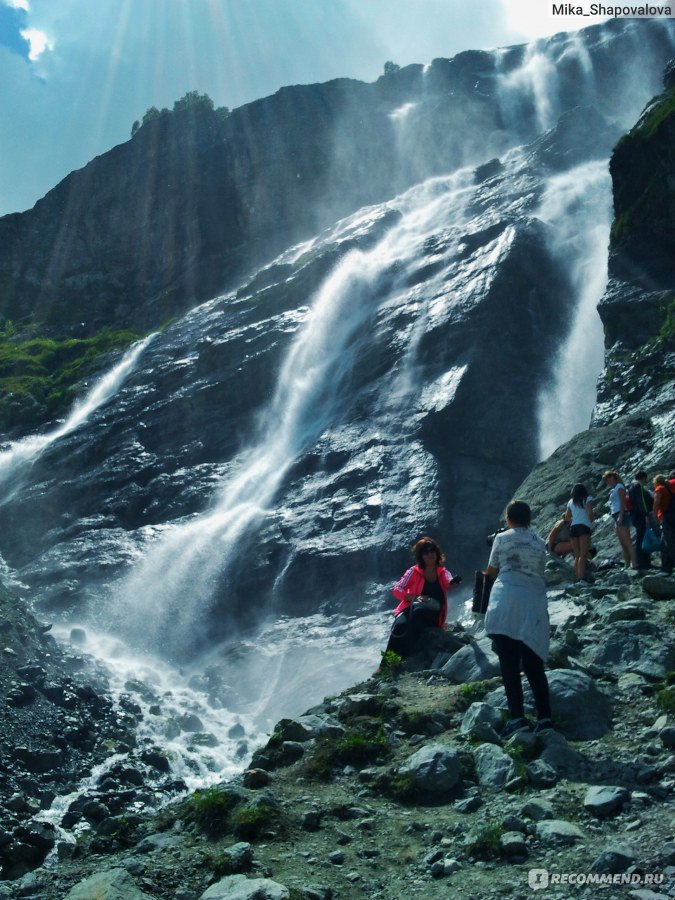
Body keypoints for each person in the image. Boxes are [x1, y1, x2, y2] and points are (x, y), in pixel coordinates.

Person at [484, 500, 552, 738]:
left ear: (509, 519)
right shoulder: (539, 542)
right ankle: (545, 717)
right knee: (534, 665)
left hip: (507, 604)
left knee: (510, 665)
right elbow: (540, 571)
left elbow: (491, 571)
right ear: (529, 519)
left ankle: (518, 718)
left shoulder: (501, 539)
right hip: (533, 604)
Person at [387, 537, 460, 658]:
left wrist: (453, 583)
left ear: (437, 552)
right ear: (421, 556)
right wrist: (413, 597)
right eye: (426, 552)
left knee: (418, 613)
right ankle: (385, 664)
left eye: (432, 550)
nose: (430, 554)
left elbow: (448, 582)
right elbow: (397, 589)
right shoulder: (413, 571)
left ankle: (406, 654)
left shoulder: (442, 571)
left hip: (433, 613)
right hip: (412, 608)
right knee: (399, 625)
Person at [603, 470, 636, 569]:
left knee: (627, 541)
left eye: (608, 478)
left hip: (621, 514)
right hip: (615, 515)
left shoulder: (619, 487)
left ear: (613, 478)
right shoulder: (614, 490)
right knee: (622, 542)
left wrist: (620, 516)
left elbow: (623, 502)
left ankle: (634, 563)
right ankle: (626, 563)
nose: (607, 481)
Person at [566, 483, 594, 582]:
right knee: (583, 554)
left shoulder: (570, 502)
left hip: (573, 527)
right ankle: (581, 577)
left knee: (577, 555)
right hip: (584, 527)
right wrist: (589, 523)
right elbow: (590, 513)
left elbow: (567, 517)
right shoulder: (587, 498)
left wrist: (575, 518)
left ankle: (576, 577)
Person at [628, 470, 653, 571]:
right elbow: (641, 501)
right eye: (645, 479)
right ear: (642, 477)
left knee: (640, 538)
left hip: (635, 515)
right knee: (642, 538)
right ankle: (644, 562)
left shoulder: (630, 486)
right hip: (641, 516)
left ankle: (643, 561)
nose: (646, 481)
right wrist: (646, 515)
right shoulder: (638, 486)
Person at [653, 473, 675, 575]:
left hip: (665, 518)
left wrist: (655, 516)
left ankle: (669, 567)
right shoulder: (670, 488)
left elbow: (656, 503)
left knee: (669, 543)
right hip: (672, 516)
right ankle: (666, 568)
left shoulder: (659, 489)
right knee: (663, 543)